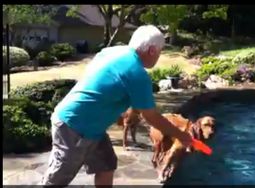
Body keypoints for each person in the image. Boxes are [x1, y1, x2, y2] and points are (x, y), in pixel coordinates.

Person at [40, 25, 193, 187]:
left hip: (92, 127)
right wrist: (181, 135)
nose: (159, 56)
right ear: (152, 51)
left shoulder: (114, 51)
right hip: (75, 126)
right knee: (57, 179)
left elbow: (95, 67)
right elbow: (151, 117)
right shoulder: (137, 74)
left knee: (106, 164)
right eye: (160, 51)